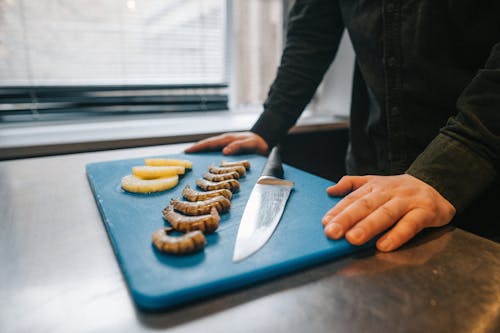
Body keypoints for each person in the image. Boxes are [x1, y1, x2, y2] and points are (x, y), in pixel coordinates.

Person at [186, 0, 500, 251]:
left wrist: (445, 170)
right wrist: (267, 128)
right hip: (368, 173)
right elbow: (310, 36)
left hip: (479, 189)